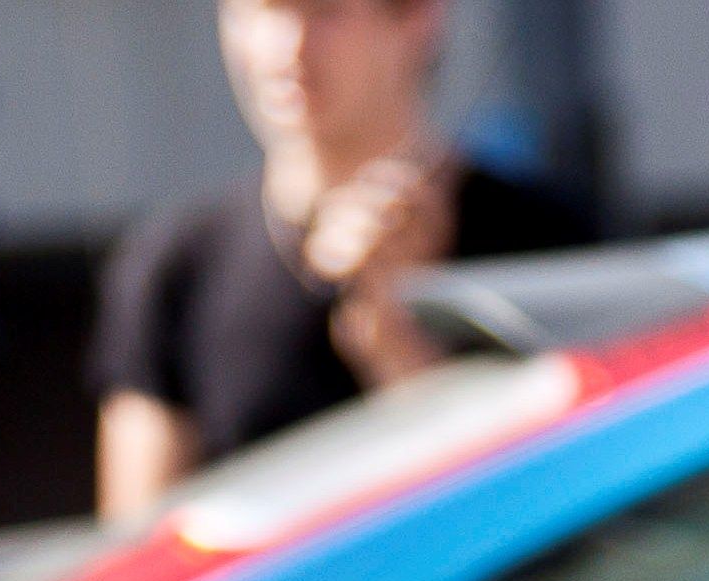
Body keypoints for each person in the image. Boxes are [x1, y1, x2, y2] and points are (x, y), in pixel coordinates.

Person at [93, 0, 602, 517]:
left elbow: (568, 517)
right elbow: (136, 552)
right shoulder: (175, 263)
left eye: (325, 11)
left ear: (417, 18)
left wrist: (400, 351)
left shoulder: (549, 244)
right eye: (258, 12)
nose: (286, 49)